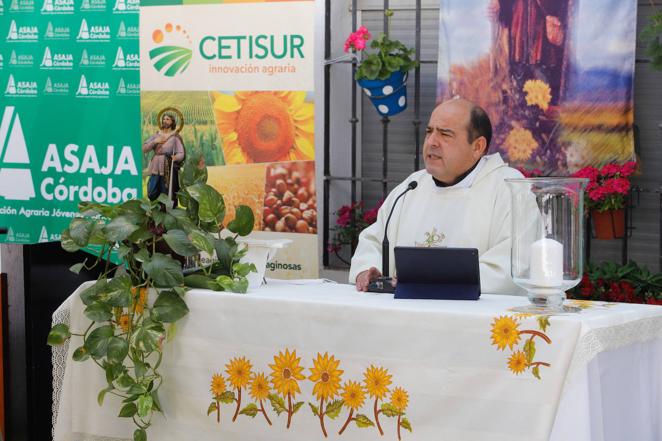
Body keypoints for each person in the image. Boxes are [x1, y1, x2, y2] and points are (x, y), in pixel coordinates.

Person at [349, 98, 525, 295]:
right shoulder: (413, 186)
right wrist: (367, 271)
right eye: (429, 131)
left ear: (477, 146)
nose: (432, 142)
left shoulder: (509, 189)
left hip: (476, 320)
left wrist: (428, 281)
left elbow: (511, 265)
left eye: (445, 134)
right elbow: (373, 241)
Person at [142, 113, 185, 206]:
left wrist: (176, 157)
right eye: (164, 119)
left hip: (168, 167)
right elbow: (144, 148)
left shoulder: (175, 137)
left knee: (166, 190)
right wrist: (154, 141)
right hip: (155, 166)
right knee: (152, 191)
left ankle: (163, 210)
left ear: (172, 122)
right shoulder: (156, 135)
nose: (165, 121)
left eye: (168, 119)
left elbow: (181, 153)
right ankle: (154, 206)